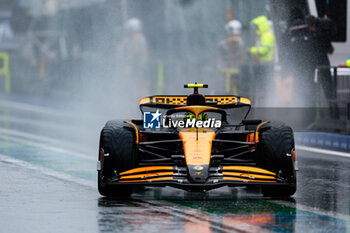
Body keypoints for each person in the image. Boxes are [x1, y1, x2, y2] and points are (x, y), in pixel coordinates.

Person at [117, 18, 149, 97]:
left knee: (139, 86)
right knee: (132, 87)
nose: (128, 32)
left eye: (129, 29)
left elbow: (142, 53)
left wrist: (141, 64)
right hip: (131, 67)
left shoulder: (139, 38)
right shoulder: (129, 39)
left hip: (137, 67)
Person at [249, 15, 275, 105]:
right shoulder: (262, 36)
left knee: (264, 88)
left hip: (266, 65)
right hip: (261, 65)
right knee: (261, 88)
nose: (255, 30)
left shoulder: (267, 35)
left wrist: (251, 50)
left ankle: (264, 105)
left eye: (257, 27)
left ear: (261, 26)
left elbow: (264, 50)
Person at [217, 19, 244, 95]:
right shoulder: (239, 41)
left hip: (231, 69)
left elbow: (225, 53)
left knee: (230, 89)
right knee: (233, 88)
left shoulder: (235, 41)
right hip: (232, 69)